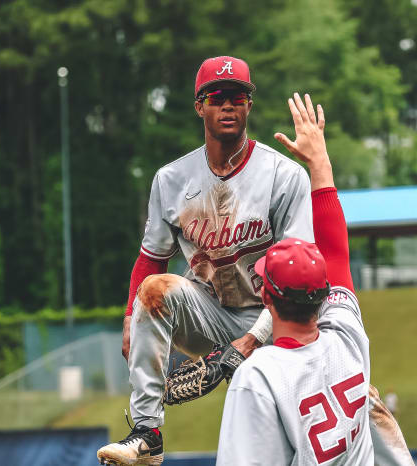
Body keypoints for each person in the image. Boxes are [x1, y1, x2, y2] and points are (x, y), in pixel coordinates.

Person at [97, 56, 315, 465]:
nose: (227, 106)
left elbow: (301, 281)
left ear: (249, 105)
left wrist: (250, 342)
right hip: (209, 310)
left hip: (279, 315)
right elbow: (151, 259)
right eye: (216, 97)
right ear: (200, 106)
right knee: (154, 292)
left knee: (300, 426)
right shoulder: (172, 179)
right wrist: (131, 317)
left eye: (238, 97)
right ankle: (147, 433)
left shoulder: (283, 175)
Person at [217, 93, 414, 465]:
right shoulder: (348, 343)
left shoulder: (259, 377)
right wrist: (319, 161)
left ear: (266, 299)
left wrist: (317, 162)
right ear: (323, 296)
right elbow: (336, 253)